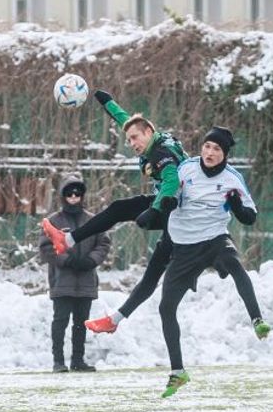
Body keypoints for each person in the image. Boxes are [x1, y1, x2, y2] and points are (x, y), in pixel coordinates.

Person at [40, 90, 187, 334]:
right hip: (174, 210)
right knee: (121, 211)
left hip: (180, 213)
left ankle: (114, 319)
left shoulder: (160, 153)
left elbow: (172, 181)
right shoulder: (152, 139)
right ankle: (67, 240)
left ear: (148, 132)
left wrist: (155, 210)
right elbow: (127, 121)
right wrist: (107, 103)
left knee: (157, 271)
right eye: (128, 140)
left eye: (134, 139)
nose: (132, 144)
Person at [152, 128, 269, 398]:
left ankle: (257, 319)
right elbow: (167, 192)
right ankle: (178, 372)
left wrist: (237, 207)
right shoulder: (186, 169)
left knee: (235, 264)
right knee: (166, 307)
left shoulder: (232, 179)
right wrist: (165, 202)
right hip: (184, 246)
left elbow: (250, 216)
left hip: (215, 239)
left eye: (216, 149)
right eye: (207, 146)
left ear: (225, 154)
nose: (210, 152)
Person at [38, 173, 110, 372]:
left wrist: (91, 260)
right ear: (63, 196)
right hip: (62, 281)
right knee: (60, 321)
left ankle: (78, 360)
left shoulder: (93, 220)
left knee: (81, 323)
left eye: (77, 194)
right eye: (69, 194)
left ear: (82, 196)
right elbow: (46, 248)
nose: (73, 197)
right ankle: (58, 361)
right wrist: (66, 260)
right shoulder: (53, 221)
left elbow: (103, 244)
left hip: (86, 280)